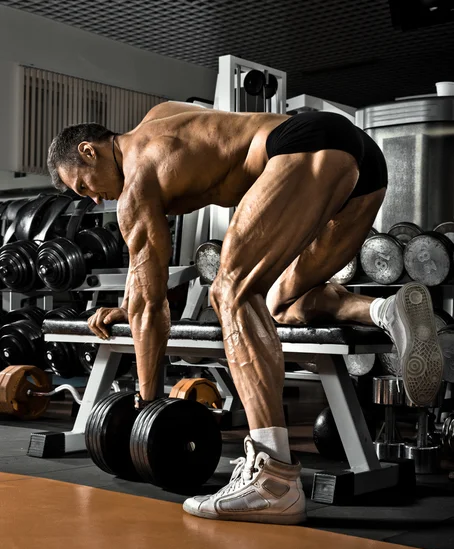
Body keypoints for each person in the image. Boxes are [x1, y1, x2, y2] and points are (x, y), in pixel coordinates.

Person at [47, 101, 443, 525]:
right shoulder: (159, 119)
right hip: (362, 160)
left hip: (300, 148)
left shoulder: (136, 184)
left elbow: (151, 303)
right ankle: (386, 310)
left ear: (89, 151)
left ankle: (274, 479)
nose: (92, 197)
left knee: (231, 291)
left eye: (83, 185)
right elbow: (141, 284)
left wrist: (147, 404)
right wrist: (127, 304)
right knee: (282, 304)